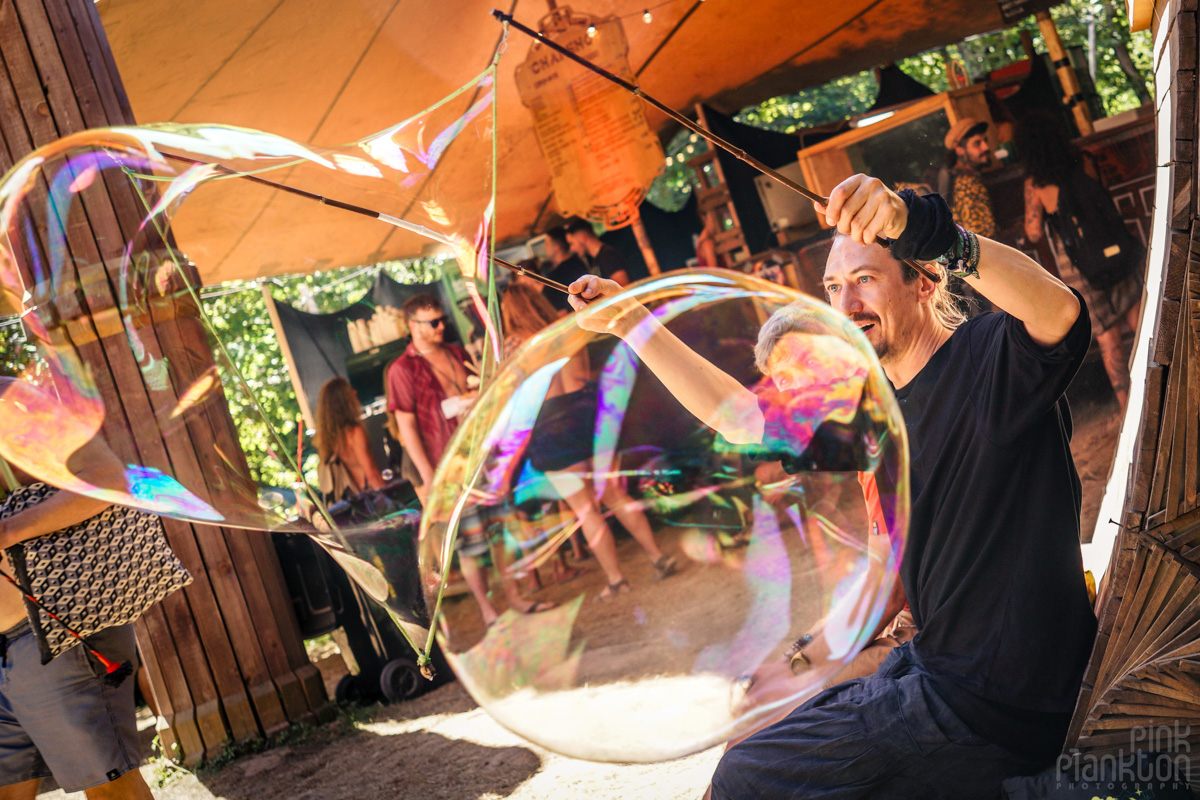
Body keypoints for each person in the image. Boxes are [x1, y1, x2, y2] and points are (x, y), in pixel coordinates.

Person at [569, 173, 1097, 798]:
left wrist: (924, 228)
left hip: (994, 704)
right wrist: (633, 321)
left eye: (866, 280)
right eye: (833, 289)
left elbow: (1058, 310)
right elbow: (739, 418)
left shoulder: (991, 362)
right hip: (936, 677)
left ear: (923, 281)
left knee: (743, 781)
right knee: (750, 738)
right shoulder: (876, 413)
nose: (845, 306)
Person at [502, 282, 677, 600]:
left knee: (585, 509)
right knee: (614, 494)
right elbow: (585, 376)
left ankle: (616, 580)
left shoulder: (516, 344)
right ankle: (658, 557)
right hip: (587, 416)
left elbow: (514, 396)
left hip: (551, 428)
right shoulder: (567, 328)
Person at [0, 449, 155, 800]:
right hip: (7, 650)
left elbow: (109, 478)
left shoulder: (15, 402)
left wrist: (7, 529)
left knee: (111, 791)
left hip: (51, 634)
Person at [387, 294, 547, 626]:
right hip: (450, 466)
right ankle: (489, 613)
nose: (442, 326)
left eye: (441, 320)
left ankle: (515, 598)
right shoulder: (402, 369)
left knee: (499, 531)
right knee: (471, 544)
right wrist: (430, 476)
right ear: (411, 326)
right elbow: (406, 426)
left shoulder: (456, 352)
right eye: (433, 322)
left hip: (481, 457)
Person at [1017, 110, 1144, 411]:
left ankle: (1129, 407)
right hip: (1111, 246)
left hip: (1077, 264)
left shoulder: (1035, 183)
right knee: (1137, 316)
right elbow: (1102, 199)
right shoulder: (1084, 160)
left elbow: (1034, 232)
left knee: (1106, 333)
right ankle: (1168, 375)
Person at [315, 377, 385, 503]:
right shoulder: (354, 433)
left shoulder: (330, 439)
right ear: (343, 401)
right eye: (349, 391)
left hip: (352, 501)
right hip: (370, 498)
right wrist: (389, 499)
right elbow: (371, 473)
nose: (355, 392)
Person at [939, 117, 997, 239]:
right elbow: (981, 234)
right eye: (977, 143)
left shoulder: (957, 178)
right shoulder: (967, 182)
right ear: (960, 150)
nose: (986, 147)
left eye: (985, 140)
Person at [563, 216, 649, 286]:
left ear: (582, 237)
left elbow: (622, 287)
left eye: (572, 243)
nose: (572, 249)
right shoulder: (596, 259)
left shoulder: (607, 255)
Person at [542, 226, 590, 316]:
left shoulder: (554, 276)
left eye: (547, 244)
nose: (545, 247)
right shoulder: (579, 261)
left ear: (556, 247)